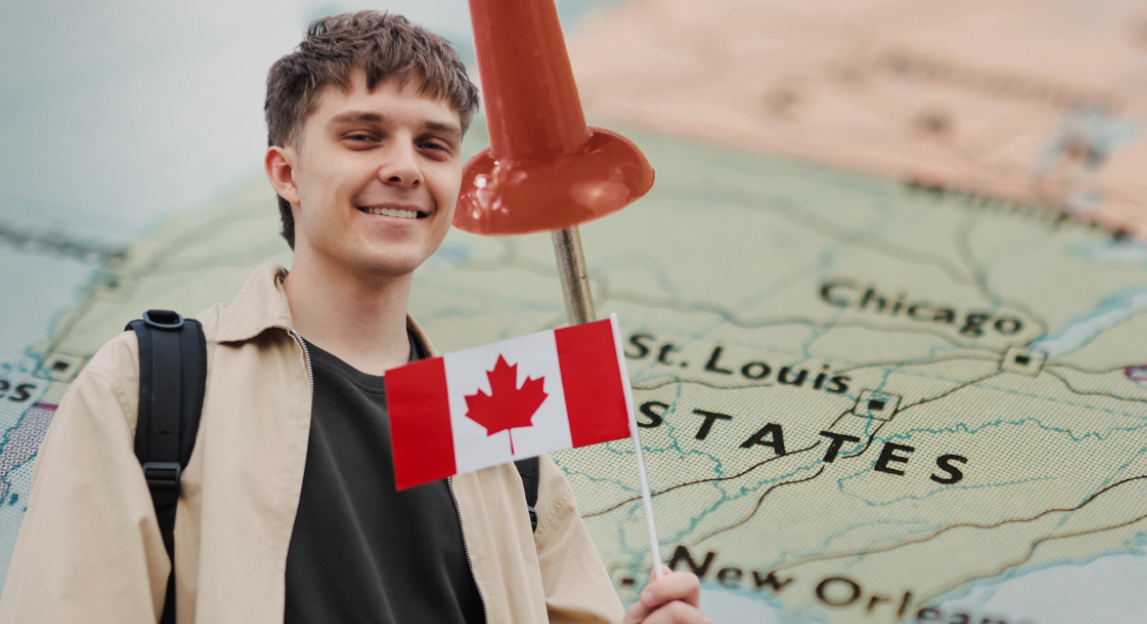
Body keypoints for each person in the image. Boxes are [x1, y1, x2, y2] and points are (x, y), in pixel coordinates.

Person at [0, 11, 709, 624]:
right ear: (285, 172)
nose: (405, 167)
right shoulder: (152, 386)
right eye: (363, 136)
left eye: (434, 144)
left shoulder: (504, 443)